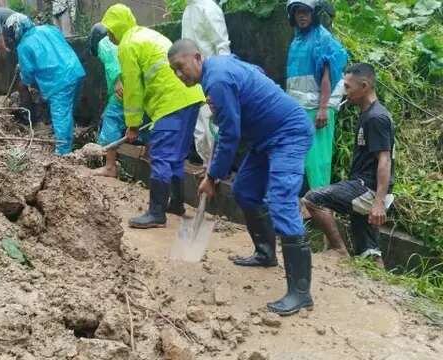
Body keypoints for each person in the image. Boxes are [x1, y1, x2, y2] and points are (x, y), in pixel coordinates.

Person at [168, 39, 315, 315]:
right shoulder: (221, 68)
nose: (178, 74)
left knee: (281, 201)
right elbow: (256, 73)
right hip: (265, 136)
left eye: (180, 66)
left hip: (288, 133)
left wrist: (212, 178)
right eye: (173, 70)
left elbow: (231, 134)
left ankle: (300, 292)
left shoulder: (217, 80)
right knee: (245, 190)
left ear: (197, 58)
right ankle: (265, 253)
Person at [100, 4, 205, 228]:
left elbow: (133, 89)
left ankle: (156, 213)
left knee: (160, 155)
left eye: (110, 31)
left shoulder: (127, 45)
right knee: (176, 155)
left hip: (171, 102)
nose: (110, 36)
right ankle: (176, 203)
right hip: (190, 96)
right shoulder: (145, 34)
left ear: (117, 29)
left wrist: (132, 125)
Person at [303, 64, 394, 267]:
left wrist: (378, 202)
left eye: (347, 87)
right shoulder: (368, 114)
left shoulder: (376, 118)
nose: (345, 92)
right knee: (369, 253)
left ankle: (338, 250)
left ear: (364, 86)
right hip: (364, 187)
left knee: (313, 198)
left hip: (366, 188)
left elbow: (384, 160)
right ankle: (382, 290)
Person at [286, 0, 348, 190]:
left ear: (314, 14)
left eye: (306, 12)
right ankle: (311, 203)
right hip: (301, 107)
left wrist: (323, 108)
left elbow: (327, 76)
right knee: (302, 157)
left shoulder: (322, 38)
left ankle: (321, 203)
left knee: (318, 159)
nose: (302, 16)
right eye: (298, 12)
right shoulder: (297, 39)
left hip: (317, 108)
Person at [3, 14, 85, 155]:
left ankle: (63, 153)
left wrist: (22, 71)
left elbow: (27, 76)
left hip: (59, 81)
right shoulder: (49, 29)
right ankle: (69, 137)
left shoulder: (23, 46)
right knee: (67, 112)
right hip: (75, 71)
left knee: (61, 116)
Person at [181, 0, 231, 165]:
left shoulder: (209, 8)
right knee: (200, 128)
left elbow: (222, 45)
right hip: (195, 80)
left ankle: (216, 168)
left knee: (213, 124)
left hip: (212, 77)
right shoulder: (188, 10)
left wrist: (222, 78)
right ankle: (206, 165)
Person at [88, 23, 125, 177]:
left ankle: (110, 167)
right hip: (137, 87)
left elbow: (112, 63)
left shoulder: (105, 43)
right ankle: (149, 154)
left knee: (111, 119)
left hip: (123, 87)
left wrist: (117, 81)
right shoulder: (122, 40)